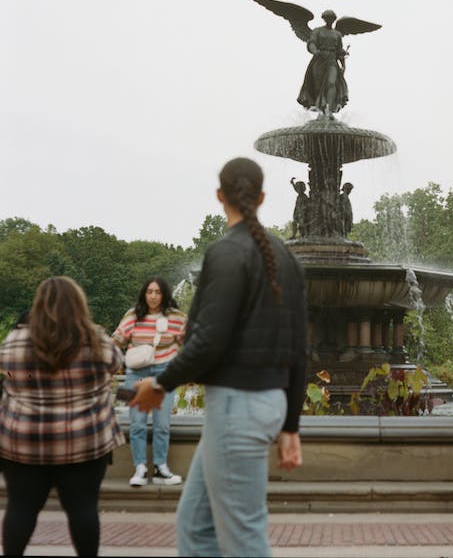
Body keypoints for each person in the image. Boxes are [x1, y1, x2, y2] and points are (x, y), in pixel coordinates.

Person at [130, 157, 308, 557]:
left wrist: (160, 384)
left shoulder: (227, 253)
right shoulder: (286, 258)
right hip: (266, 404)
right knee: (195, 528)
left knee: (244, 539)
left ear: (218, 195)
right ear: (262, 197)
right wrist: (291, 425)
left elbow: (209, 340)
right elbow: (300, 351)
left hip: (236, 407)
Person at [0, 277, 124, 556]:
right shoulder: (96, 340)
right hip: (83, 441)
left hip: (23, 442)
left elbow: (5, 369)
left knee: (20, 507)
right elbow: (117, 363)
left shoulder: (16, 340)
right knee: (83, 508)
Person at [112, 276, 188, 487]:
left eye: (157, 292)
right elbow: (117, 339)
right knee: (137, 423)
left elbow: (189, 342)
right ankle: (140, 468)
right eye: (149, 292)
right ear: (144, 294)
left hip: (165, 374)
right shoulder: (133, 315)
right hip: (138, 374)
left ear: (164, 294)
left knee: (162, 423)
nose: (153, 296)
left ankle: (161, 467)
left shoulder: (176, 317)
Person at [297, 9, 349, 117]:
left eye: (331, 18)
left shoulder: (337, 34)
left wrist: (343, 64)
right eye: (327, 18)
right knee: (318, 86)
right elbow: (311, 43)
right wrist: (315, 51)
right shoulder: (317, 31)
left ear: (334, 19)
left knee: (331, 83)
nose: (329, 20)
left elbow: (339, 51)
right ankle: (321, 109)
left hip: (332, 61)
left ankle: (329, 109)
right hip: (319, 60)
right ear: (324, 19)